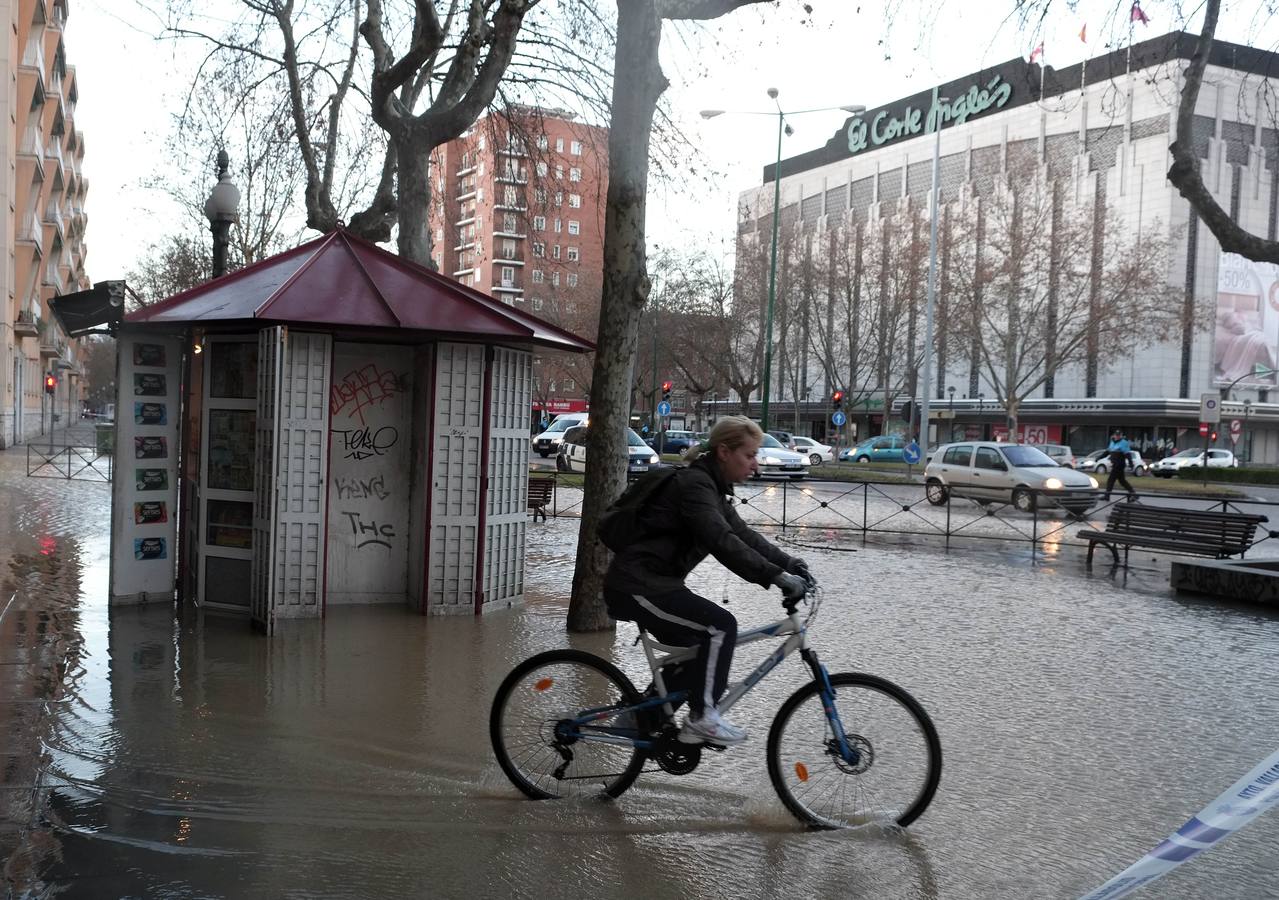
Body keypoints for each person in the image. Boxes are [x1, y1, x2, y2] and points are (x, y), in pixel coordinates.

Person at [603, 415, 812, 746]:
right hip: (638, 586)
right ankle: (703, 718)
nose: (755, 466)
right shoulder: (695, 487)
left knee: (697, 651)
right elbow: (720, 540)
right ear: (724, 452)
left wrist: (791, 564)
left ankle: (638, 719)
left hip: (658, 584)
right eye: (750, 455)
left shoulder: (711, 490)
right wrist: (775, 576)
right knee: (720, 626)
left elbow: (743, 536)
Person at [1103, 429, 1136, 502]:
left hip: (1119, 464)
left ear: (1121, 436)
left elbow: (1127, 454)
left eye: (1119, 435)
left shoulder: (1124, 443)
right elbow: (1108, 451)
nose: (1117, 436)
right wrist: (1099, 457)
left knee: (1111, 480)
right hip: (1115, 464)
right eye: (1116, 435)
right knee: (1122, 481)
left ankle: (1107, 496)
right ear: (1114, 435)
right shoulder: (1112, 442)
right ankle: (1133, 493)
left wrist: (1131, 463)